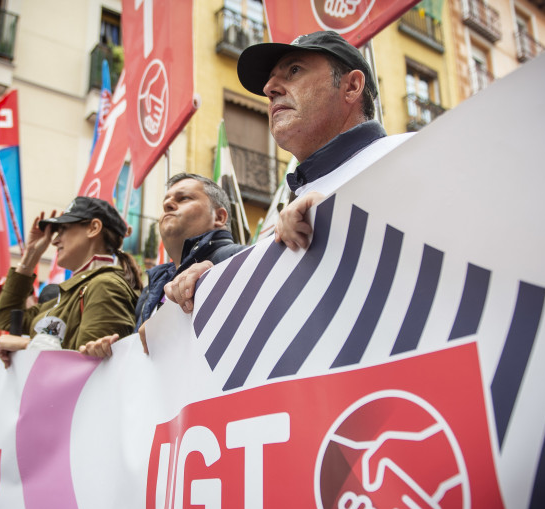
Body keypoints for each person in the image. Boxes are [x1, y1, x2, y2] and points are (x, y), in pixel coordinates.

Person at [164, 30, 415, 311]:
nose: (269, 88)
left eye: (294, 70)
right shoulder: (294, 206)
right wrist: (216, 283)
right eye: (270, 80)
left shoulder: (414, 154)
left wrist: (344, 215)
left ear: (352, 86)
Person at [80, 173, 246, 357]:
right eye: (165, 202)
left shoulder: (239, 258)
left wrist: (218, 274)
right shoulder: (152, 288)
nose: (168, 205)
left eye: (184, 198)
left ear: (219, 217)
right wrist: (109, 354)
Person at [0, 197, 141, 363]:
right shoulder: (70, 294)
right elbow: (7, 318)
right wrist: (31, 255)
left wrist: (27, 346)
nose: (55, 240)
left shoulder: (105, 285)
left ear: (93, 228)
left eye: (63, 229)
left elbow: (92, 367)